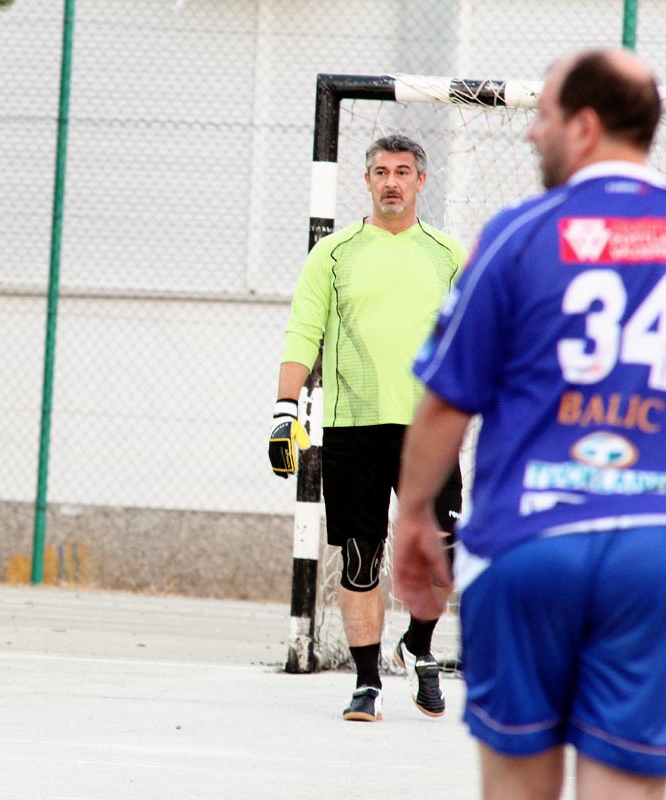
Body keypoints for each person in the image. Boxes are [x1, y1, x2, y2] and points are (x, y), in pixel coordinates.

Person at [394, 48, 666, 799]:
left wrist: (415, 513)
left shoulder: (515, 235)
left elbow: (448, 399)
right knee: (629, 786)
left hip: (527, 543)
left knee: (515, 785)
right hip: (653, 547)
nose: (528, 134)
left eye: (540, 116)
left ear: (582, 128)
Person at [270, 134, 467, 722]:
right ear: (367, 180)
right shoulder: (333, 254)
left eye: (402, 171)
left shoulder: (448, 254)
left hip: (428, 426)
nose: (391, 181)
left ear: (420, 183)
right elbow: (303, 332)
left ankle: (419, 646)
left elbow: (477, 337)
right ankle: (366, 682)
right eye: (380, 170)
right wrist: (285, 408)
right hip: (353, 425)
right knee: (361, 555)